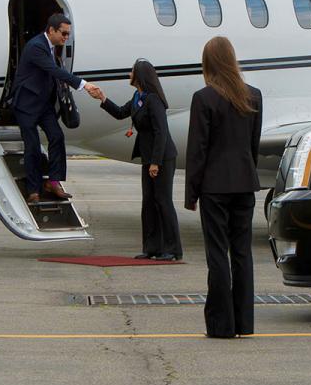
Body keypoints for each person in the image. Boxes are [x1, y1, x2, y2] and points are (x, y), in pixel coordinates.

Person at [184, 36, 263, 339]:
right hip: (244, 183)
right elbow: (252, 145)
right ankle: (245, 322)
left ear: (208, 63)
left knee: (217, 254)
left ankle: (221, 324)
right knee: (242, 253)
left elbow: (198, 150)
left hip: (215, 186)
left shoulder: (204, 98)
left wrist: (191, 193)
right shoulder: (253, 96)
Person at [11, 13, 102, 203]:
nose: (66, 38)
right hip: (26, 105)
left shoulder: (51, 47)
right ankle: (33, 189)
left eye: (68, 34)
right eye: (64, 33)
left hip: (44, 104)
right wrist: (83, 84)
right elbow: (54, 71)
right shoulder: (36, 46)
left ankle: (53, 182)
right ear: (51, 30)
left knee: (57, 137)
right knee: (33, 147)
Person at [97, 59, 182, 261]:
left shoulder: (154, 100)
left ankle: (173, 249)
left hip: (161, 157)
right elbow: (119, 113)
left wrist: (156, 162)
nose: (129, 75)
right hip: (148, 157)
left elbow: (161, 132)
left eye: (132, 72)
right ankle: (152, 248)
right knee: (148, 203)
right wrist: (102, 98)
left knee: (163, 201)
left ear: (140, 76)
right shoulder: (138, 97)